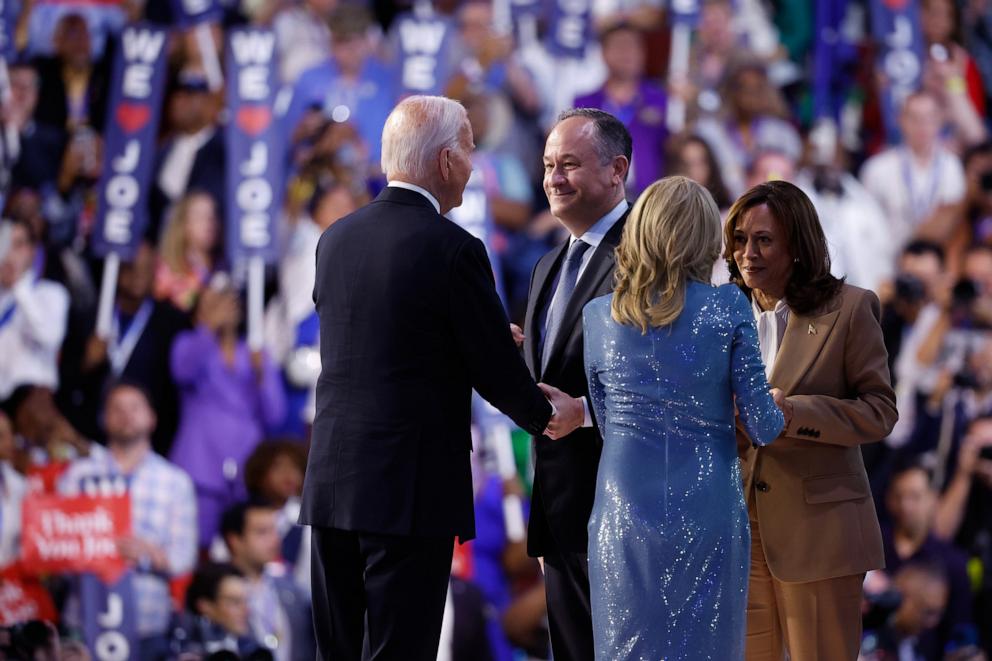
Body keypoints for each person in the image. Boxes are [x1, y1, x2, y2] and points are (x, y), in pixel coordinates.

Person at [301, 95, 567, 661]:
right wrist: (548, 417)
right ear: (445, 161)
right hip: (408, 491)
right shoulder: (454, 248)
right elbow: (491, 369)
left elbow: (381, 342)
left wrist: (472, 340)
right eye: (470, 149)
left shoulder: (336, 240)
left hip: (332, 483)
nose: (474, 164)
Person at [580, 176, 784, 659]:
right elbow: (763, 426)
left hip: (623, 500)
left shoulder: (597, 315)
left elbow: (606, 420)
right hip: (707, 502)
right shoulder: (729, 306)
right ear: (706, 238)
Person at [725, 180, 899, 660]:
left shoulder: (850, 307)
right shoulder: (720, 311)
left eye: (764, 240)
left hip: (820, 530)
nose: (747, 253)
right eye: (739, 239)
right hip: (738, 524)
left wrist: (796, 413)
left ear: (798, 245)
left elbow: (881, 412)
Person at [518, 107, 631, 661]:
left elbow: (673, 378)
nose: (553, 179)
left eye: (568, 164)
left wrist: (586, 412)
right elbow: (552, 378)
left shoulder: (649, 255)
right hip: (561, 516)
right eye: (547, 165)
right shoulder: (545, 267)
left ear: (617, 170)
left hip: (626, 510)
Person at [57, 382, 198, 658]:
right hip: (83, 620)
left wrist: (146, 554)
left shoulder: (175, 482)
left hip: (147, 625)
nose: (126, 415)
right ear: (104, 418)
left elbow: (184, 558)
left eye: (135, 408)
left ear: (152, 417)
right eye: (116, 409)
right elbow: (55, 548)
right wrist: (93, 547)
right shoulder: (76, 476)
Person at [169, 279, 286, 549]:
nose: (222, 309)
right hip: (200, 471)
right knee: (195, 549)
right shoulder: (188, 343)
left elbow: (275, 416)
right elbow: (182, 370)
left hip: (245, 471)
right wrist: (207, 328)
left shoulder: (257, 354)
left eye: (228, 302)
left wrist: (262, 375)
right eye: (212, 303)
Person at [880, 461, 974, 657]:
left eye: (915, 497)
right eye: (899, 496)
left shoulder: (953, 563)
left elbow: (960, 631)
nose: (905, 505)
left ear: (933, 499)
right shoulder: (871, 548)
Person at [574, 22, 667, 197]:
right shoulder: (584, 104)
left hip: (651, 203)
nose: (628, 53)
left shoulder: (663, 99)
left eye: (634, 46)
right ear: (603, 53)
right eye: (620, 46)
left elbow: (677, 148)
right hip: (597, 203)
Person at [221, 501, 314, 661]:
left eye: (274, 531)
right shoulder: (217, 591)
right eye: (262, 532)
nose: (275, 540)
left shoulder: (291, 588)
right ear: (234, 540)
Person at [0, 217, 69, 404]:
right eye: (4, 243)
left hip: (33, 401)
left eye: (18, 244)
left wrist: (19, 287)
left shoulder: (51, 293)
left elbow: (49, 337)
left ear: (32, 251)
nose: (9, 253)